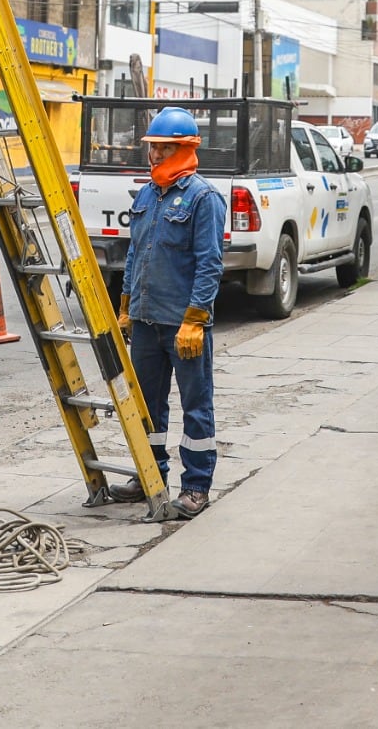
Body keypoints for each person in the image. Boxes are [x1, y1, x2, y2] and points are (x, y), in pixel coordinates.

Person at [120, 106, 225, 520]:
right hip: (147, 321)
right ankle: (149, 475)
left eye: (164, 147)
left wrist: (195, 320)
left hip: (183, 326)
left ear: (184, 148)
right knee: (147, 405)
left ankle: (196, 486)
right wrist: (127, 306)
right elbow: (135, 254)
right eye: (153, 147)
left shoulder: (203, 198)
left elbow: (209, 263)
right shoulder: (147, 194)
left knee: (196, 405)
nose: (155, 155)